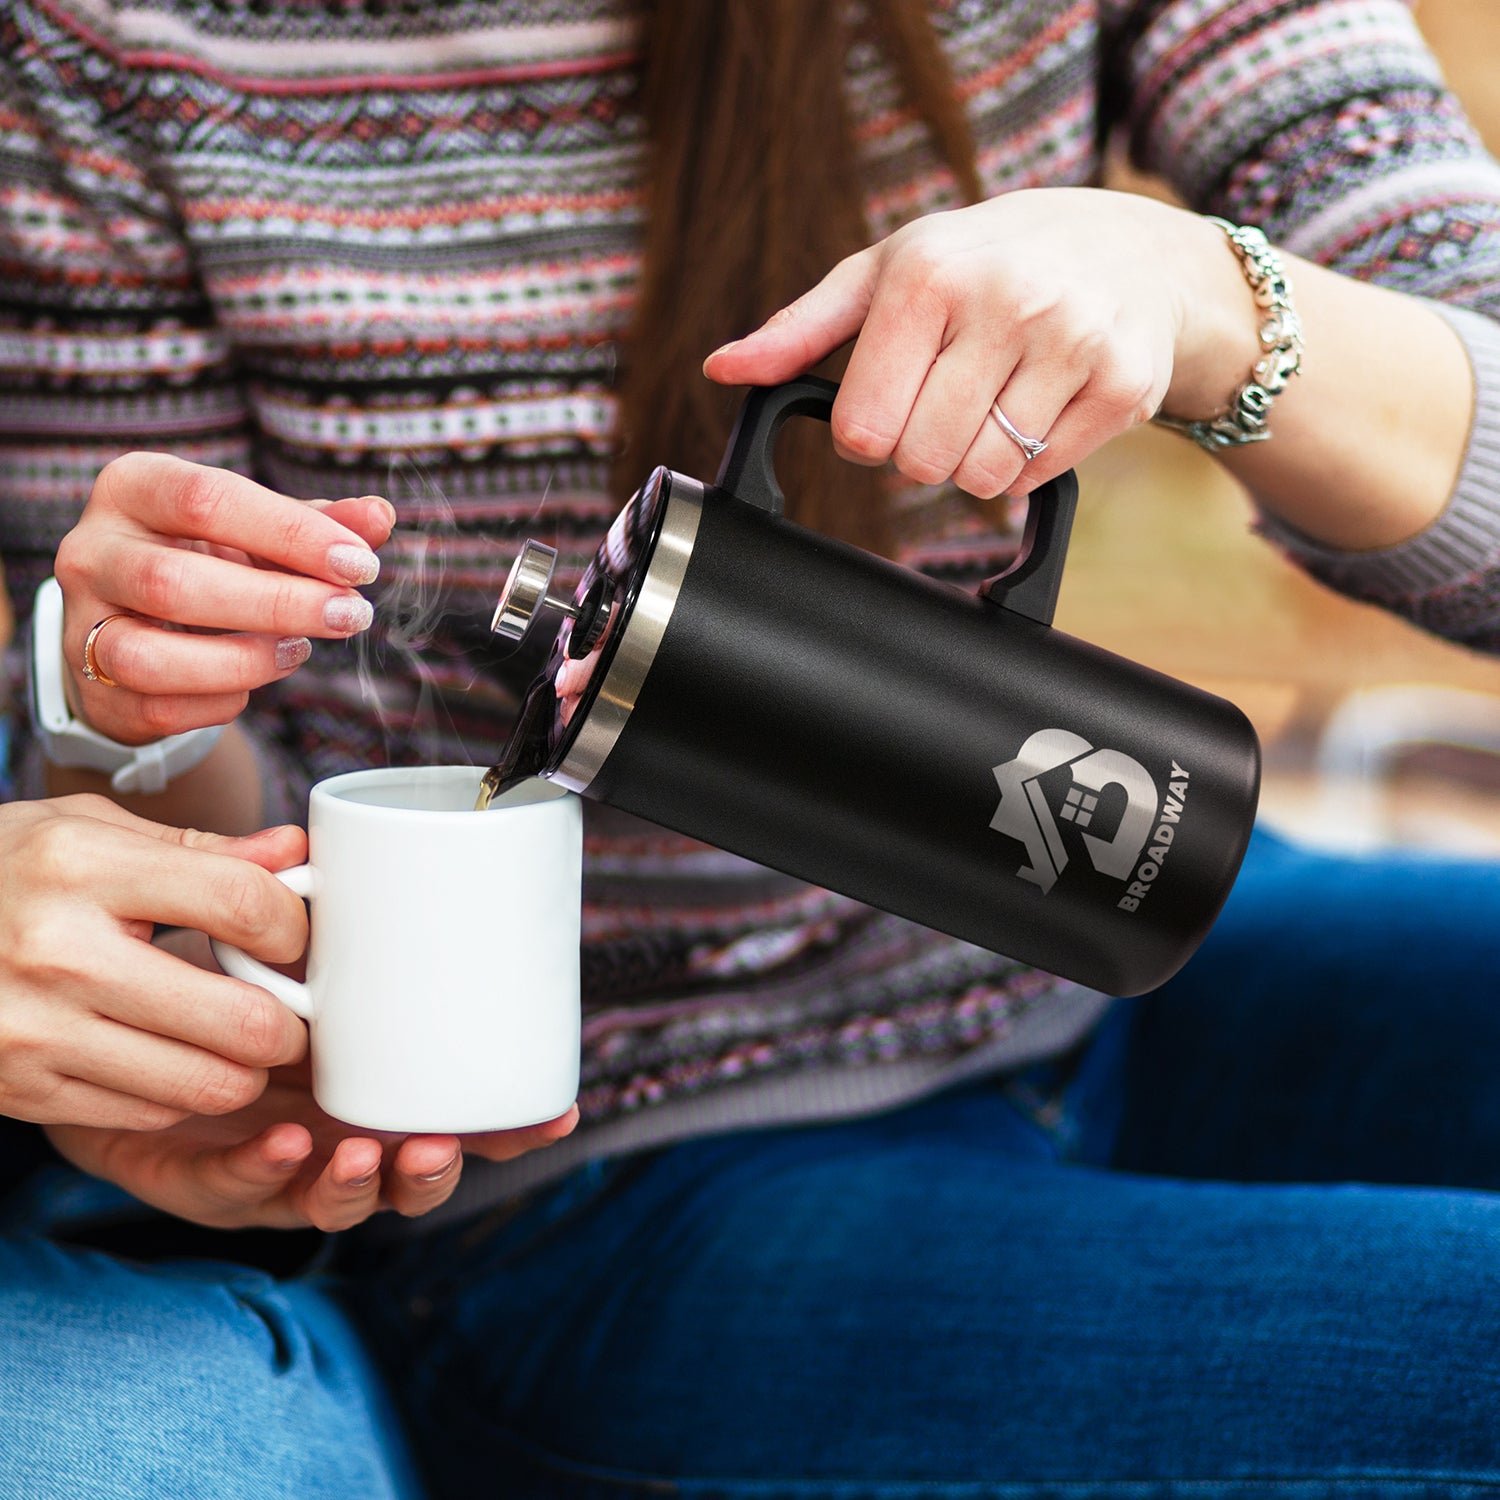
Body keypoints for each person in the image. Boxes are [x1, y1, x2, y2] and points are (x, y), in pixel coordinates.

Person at [3, 0, 1500, 1494]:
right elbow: (192, 867)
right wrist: (125, 704)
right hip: (618, 1176)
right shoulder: (110, 40)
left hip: (1075, 939)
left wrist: (1195, 291)